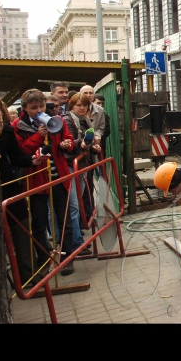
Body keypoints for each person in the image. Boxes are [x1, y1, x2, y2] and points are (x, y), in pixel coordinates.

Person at [12, 89, 76, 276]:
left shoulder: (57, 119)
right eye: (34, 108)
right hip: (36, 179)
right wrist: (39, 136)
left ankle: (66, 257)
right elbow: (22, 151)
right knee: (39, 222)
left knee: (64, 218)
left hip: (58, 175)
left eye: (41, 106)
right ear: (24, 108)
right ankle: (44, 259)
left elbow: (69, 140)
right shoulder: (18, 126)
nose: (39, 110)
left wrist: (67, 144)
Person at [0, 100, 40, 287]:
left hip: (10, 187)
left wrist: (33, 160)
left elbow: (16, 158)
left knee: (22, 229)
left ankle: (28, 276)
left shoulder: (6, 131)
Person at [62, 93, 102, 252]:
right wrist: (84, 144)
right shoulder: (67, 120)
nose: (82, 107)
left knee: (78, 202)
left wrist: (92, 148)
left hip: (82, 164)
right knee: (73, 205)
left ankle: (78, 239)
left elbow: (87, 142)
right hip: (70, 165)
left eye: (84, 105)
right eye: (78, 105)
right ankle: (77, 243)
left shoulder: (85, 121)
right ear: (72, 106)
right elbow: (70, 143)